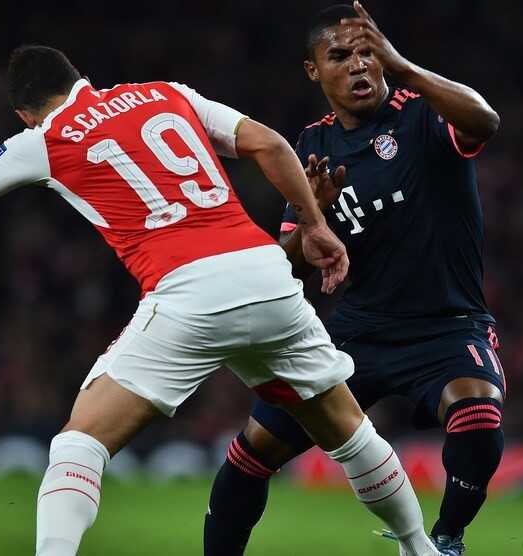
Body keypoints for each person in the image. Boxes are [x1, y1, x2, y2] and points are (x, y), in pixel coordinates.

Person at [0, 44, 440, 556]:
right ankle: (421, 549)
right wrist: (313, 223)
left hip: (186, 290)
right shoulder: (166, 94)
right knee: (350, 433)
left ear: (25, 114)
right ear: (81, 79)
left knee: (80, 443)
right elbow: (269, 143)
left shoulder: (45, 138)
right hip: (266, 275)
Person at [203, 3, 503, 555]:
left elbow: (485, 122)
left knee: (478, 415)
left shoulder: (423, 112)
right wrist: (313, 216)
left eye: (367, 53)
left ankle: (444, 540)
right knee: (251, 451)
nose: (358, 66)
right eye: (340, 55)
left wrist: (405, 67)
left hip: (447, 325)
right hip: (358, 332)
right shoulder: (311, 147)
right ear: (314, 70)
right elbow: (287, 264)